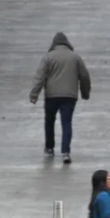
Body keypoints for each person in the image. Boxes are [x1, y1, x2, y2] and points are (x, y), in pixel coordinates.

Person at [29, 32, 91, 164]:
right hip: (69, 96)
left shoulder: (48, 57)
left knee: (49, 121)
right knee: (66, 123)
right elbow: (84, 76)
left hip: (51, 96)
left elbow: (39, 77)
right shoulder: (75, 57)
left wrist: (34, 95)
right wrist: (85, 93)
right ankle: (66, 153)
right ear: (67, 43)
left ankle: (50, 148)